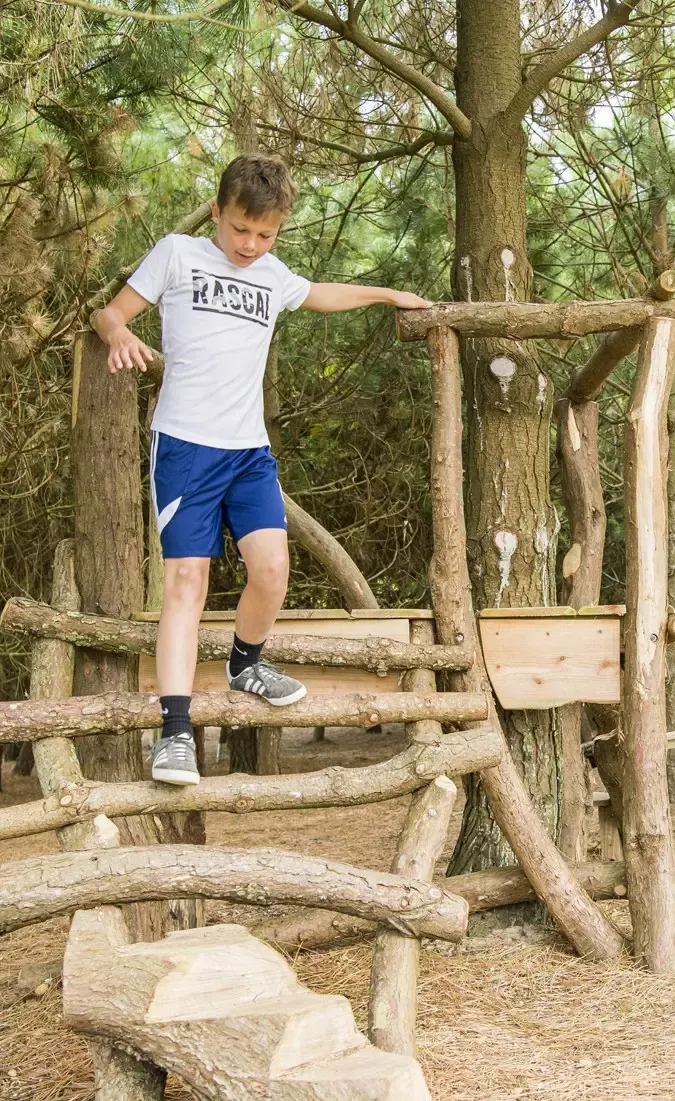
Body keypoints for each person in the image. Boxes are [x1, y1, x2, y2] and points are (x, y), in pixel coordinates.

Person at [93, 154, 432, 785]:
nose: (250, 245)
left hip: (248, 452)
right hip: (186, 448)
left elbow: (319, 294)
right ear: (218, 212)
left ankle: (246, 664)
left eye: (265, 235)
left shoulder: (272, 274)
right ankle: (173, 733)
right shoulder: (177, 253)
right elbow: (109, 313)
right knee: (187, 583)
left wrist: (386, 293)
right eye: (241, 230)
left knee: (272, 571)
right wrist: (118, 335)